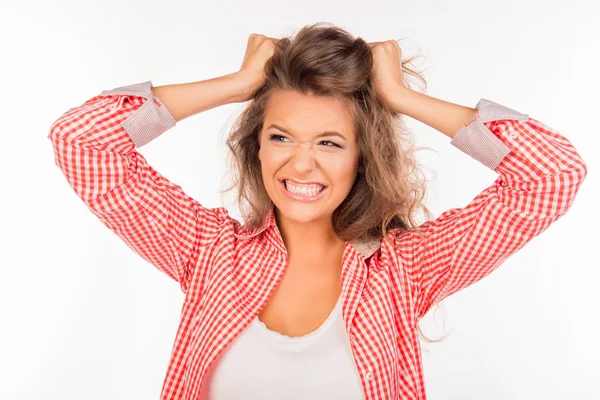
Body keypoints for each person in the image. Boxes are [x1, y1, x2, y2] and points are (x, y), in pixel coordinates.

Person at [48, 23, 587, 400]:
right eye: (281, 136)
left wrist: (398, 97)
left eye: (330, 143)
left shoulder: (405, 269)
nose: (301, 164)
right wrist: (236, 85)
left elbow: (551, 173)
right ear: (256, 146)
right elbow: (81, 141)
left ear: (362, 157)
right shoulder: (206, 250)